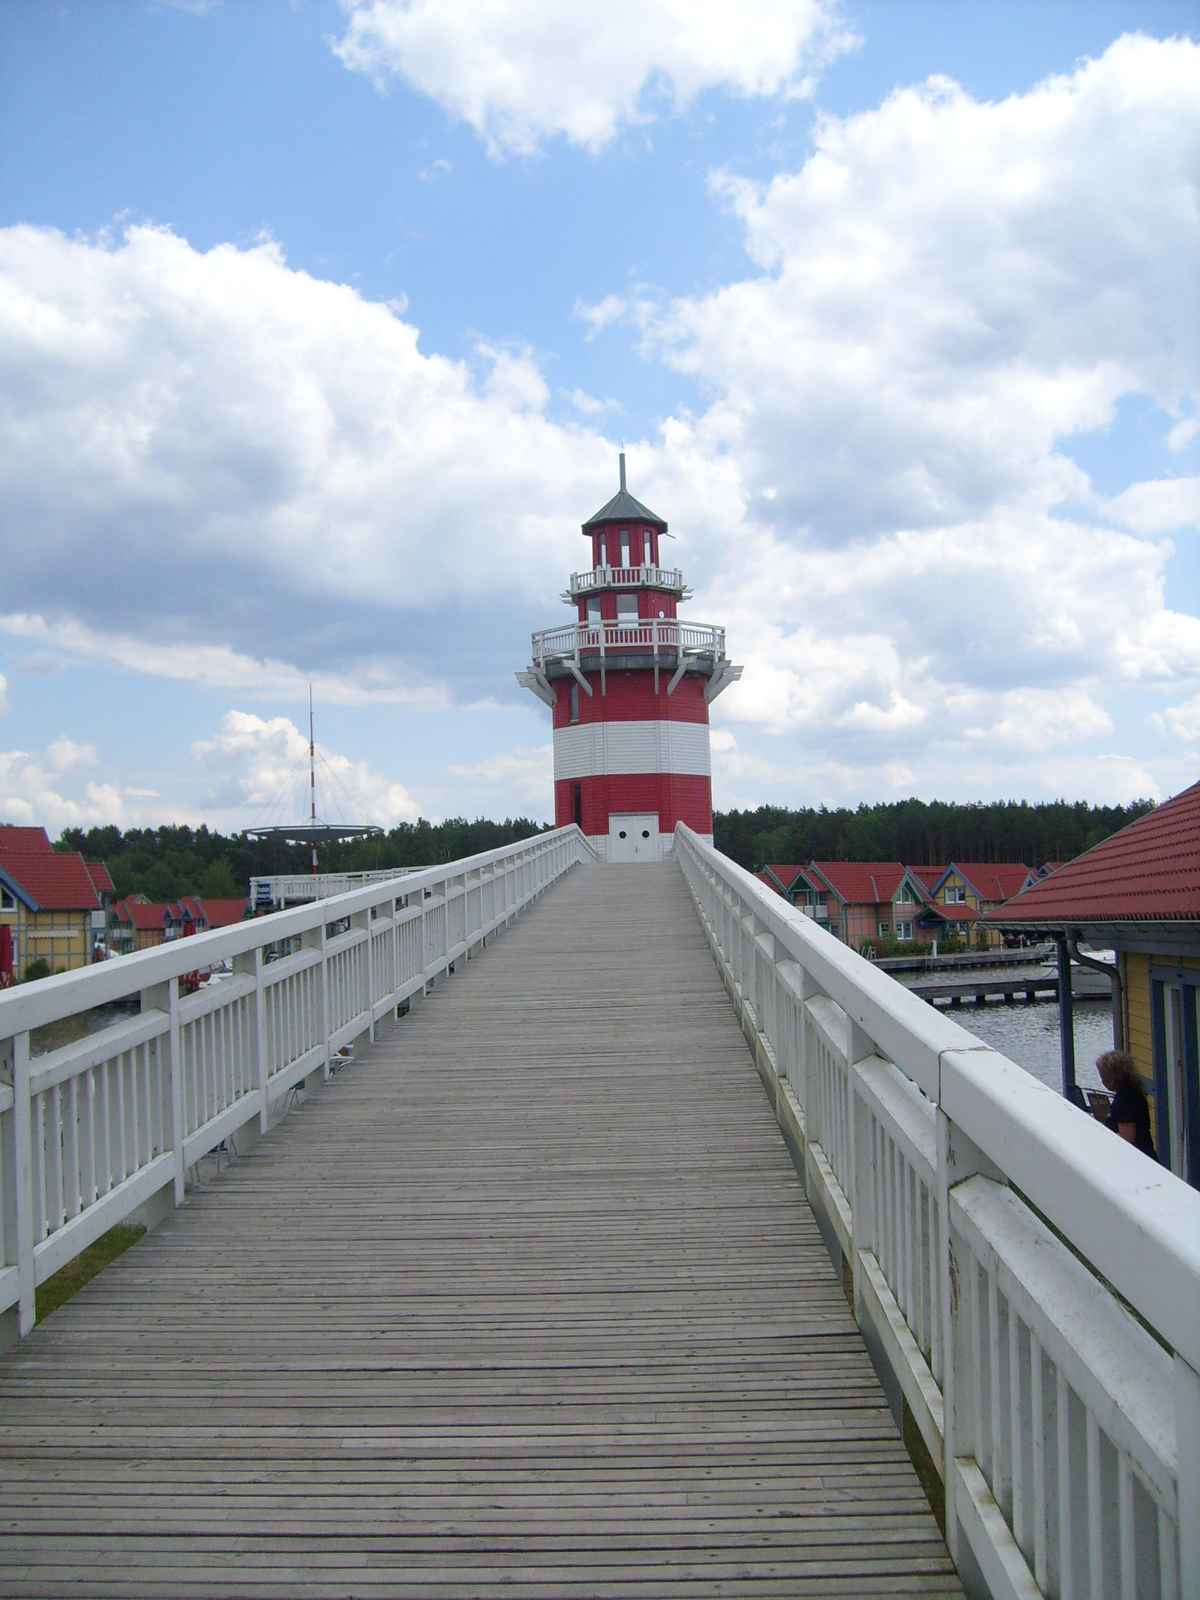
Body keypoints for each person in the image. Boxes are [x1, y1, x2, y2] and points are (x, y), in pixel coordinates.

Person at [1096, 1049, 1157, 1159]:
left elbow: (1127, 1139)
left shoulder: (1125, 1100)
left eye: (1103, 1077)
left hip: (1138, 1159)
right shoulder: (1133, 1090)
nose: (1102, 1081)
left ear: (1112, 1078)